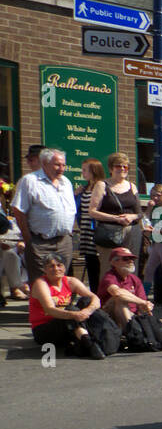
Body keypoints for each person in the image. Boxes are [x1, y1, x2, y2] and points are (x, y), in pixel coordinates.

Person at [12, 148, 77, 286]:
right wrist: (28, 238)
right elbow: (18, 210)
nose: (61, 168)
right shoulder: (30, 181)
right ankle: (41, 307)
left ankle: (58, 306)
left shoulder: (66, 182)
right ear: (44, 163)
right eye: (57, 165)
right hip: (40, 242)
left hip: (64, 241)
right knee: (40, 281)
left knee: (60, 280)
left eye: (63, 165)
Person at [28, 252, 109, 359]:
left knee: (86, 301)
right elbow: (50, 309)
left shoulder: (71, 281)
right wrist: (75, 314)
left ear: (65, 267)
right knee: (72, 311)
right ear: (45, 269)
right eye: (51, 266)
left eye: (59, 265)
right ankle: (88, 342)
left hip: (68, 325)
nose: (56, 269)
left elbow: (96, 299)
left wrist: (87, 311)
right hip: (44, 329)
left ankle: (87, 340)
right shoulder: (41, 284)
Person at [96, 245, 162, 342]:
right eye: (126, 259)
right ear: (114, 262)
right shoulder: (109, 277)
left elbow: (143, 305)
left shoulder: (134, 279)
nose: (131, 261)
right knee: (120, 301)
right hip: (113, 318)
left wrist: (147, 306)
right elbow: (117, 293)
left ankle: (145, 335)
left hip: (134, 316)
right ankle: (134, 335)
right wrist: (141, 302)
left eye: (132, 258)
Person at [141, 185, 162, 304]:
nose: (155, 198)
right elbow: (145, 218)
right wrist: (149, 208)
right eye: (152, 195)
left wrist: (156, 231)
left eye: (158, 195)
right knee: (149, 270)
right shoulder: (155, 208)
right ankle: (143, 298)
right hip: (156, 244)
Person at [76, 158, 103, 288]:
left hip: (97, 231)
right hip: (86, 230)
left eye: (85, 170)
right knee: (91, 264)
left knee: (99, 265)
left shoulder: (101, 186)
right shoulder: (84, 188)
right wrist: (76, 195)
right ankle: (94, 293)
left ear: (94, 170)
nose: (83, 173)